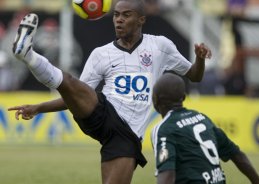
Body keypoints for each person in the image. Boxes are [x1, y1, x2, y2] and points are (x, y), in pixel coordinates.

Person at [8, 0, 211, 184]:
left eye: (126, 15)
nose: (119, 20)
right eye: (116, 15)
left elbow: (194, 75)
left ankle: (29, 56)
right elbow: (75, 95)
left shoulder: (160, 46)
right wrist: (39, 108)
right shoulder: (101, 54)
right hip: (103, 113)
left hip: (126, 136)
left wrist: (200, 59)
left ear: (141, 20)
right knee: (70, 81)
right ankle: (28, 55)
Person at [151, 73, 259, 184]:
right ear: (183, 97)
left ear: (155, 100)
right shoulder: (202, 118)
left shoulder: (164, 129)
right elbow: (237, 155)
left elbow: (167, 175)